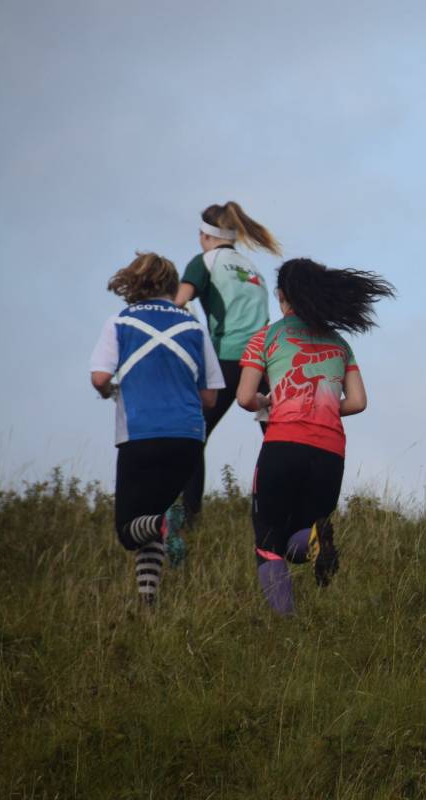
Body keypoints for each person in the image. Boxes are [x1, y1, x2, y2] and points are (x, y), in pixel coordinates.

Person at [237, 258, 393, 617]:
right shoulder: (340, 344)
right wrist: (322, 404)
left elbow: (246, 398)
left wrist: (268, 401)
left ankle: (286, 626)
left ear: (281, 296)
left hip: (282, 445)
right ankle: (314, 539)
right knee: (300, 538)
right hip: (329, 452)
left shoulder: (266, 336)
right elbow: (358, 402)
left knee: (268, 541)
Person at [89, 252, 225, 605]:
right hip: (187, 439)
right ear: (171, 284)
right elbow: (210, 397)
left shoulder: (120, 321)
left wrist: (110, 392)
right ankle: (148, 603)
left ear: (135, 282)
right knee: (149, 520)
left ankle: (163, 525)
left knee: (128, 532)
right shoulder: (192, 326)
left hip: (140, 435)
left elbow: (100, 377)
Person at [175, 201, 282, 520]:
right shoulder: (251, 268)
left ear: (205, 235)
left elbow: (179, 303)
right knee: (278, 441)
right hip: (264, 364)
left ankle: (189, 520)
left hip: (228, 360)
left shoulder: (204, 262)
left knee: (194, 436)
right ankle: (281, 516)